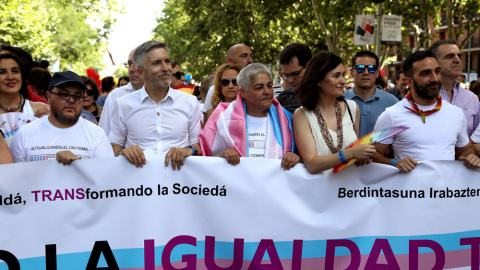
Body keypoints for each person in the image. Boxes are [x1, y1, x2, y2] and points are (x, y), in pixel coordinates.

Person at [373, 50, 480, 172]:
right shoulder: (390, 115)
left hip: (445, 190)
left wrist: (471, 157)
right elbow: (373, 153)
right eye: (425, 73)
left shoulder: (456, 113)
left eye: (437, 71)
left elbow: (464, 149)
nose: (434, 78)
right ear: (409, 81)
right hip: (409, 190)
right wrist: (394, 163)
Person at [109, 41, 201, 170]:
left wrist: (189, 150)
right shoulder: (123, 104)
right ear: (141, 73)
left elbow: (198, 145)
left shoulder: (190, 102)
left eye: (167, 61)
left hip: (179, 184)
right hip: (139, 185)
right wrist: (123, 153)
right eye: (157, 63)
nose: (166, 68)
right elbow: (114, 145)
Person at [199, 63, 299, 170]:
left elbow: (303, 157)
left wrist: (295, 157)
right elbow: (206, 159)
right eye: (259, 87)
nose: (267, 92)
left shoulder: (287, 119)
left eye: (269, 86)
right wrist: (222, 158)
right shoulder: (221, 118)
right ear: (243, 92)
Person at [293, 52, 375, 174]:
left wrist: (362, 157)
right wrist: (350, 153)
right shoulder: (302, 115)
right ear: (318, 80)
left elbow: (355, 152)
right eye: (336, 76)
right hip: (320, 190)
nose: (342, 81)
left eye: (343, 75)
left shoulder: (352, 108)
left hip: (350, 189)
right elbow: (311, 164)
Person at [10, 71, 114, 164]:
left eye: (77, 96)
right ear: (49, 97)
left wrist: (79, 165)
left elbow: (105, 177)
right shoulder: (25, 133)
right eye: (64, 94)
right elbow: (16, 178)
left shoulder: (97, 134)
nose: (71, 100)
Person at [428, 40, 480, 136]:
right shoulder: (421, 96)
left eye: (459, 56)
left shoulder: (472, 99)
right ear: (434, 62)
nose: (457, 60)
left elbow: (477, 139)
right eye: (449, 56)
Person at [343, 51, 398, 137]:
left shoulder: (392, 103)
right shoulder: (340, 101)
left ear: (377, 73)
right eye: (360, 68)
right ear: (352, 72)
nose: (366, 72)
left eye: (371, 68)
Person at [99, 48, 144, 135]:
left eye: (137, 64)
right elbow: (103, 134)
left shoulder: (164, 95)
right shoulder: (115, 96)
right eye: (129, 64)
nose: (131, 69)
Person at [202, 44, 253, 114]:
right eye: (244, 56)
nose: (250, 60)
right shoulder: (213, 91)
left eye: (251, 56)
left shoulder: (256, 87)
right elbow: (206, 122)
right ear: (231, 61)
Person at [277, 43, 312, 114]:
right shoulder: (284, 99)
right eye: (286, 75)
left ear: (309, 66)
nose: (290, 80)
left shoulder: (329, 93)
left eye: (295, 74)